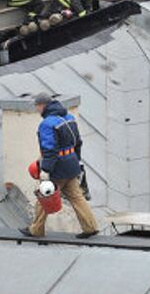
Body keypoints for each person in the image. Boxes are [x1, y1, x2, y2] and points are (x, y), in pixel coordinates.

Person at [21, 93, 98, 238]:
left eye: (37, 106)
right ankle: (90, 227)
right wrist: (77, 160)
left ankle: (36, 230)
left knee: (44, 197)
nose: (37, 109)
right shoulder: (69, 118)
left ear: (42, 105)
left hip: (58, 167)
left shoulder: (47, 124)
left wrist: (45, 170)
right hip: (72, 164)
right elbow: (78, 142)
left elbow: (49, 149)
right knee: (77, 197)